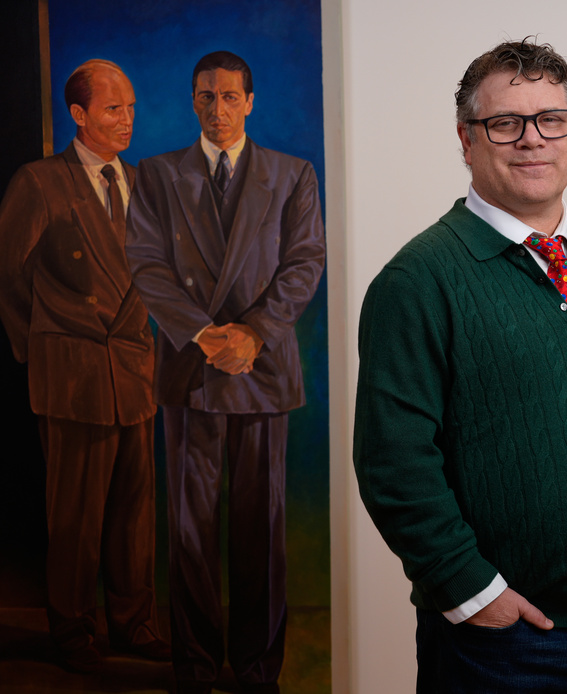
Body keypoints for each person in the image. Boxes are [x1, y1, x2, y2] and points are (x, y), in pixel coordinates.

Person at [353, 38, 567, 693]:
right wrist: (474, 595)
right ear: (467, 138)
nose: (532, 139)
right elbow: (394, 464)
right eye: (506, 123)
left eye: (550, 119)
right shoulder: (418, 281)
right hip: (500, 650)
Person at [125, 51, 325, 694]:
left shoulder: (292, 175)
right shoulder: (156, 175)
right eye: (206, 97)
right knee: (190, 531)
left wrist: (254, 334)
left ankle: (257, 669)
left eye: (230, 97)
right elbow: (147, 264)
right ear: (192, 101)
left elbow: (303, 264)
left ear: (250, 100)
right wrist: (204, 335)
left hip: (261, 373)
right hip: (192, 371)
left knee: (261, 531)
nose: (218, 109)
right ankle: (195, 667)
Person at [0, 59, 169, 673]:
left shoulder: (143, 182)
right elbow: (8, 278)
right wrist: (44, 346)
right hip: (71, 376)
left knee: (132, 513)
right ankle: (72, 629)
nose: (126, 120)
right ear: (78, 115)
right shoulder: (40, 182)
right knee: (73, 516)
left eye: (129, 107)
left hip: (132, 372)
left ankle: (134, 624)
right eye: (111, 109)